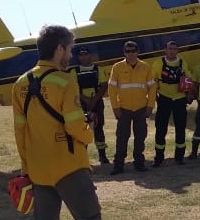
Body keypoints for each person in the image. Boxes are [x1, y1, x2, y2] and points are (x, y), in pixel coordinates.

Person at [12, 25, 123, 220]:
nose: (71, 54)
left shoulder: (20, 84)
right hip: (69, 167)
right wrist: (89, 133)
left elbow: (20, 131)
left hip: (39, 170)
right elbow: (75, 125)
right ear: (59, 49)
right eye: (70, 49)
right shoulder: (65, 82)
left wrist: (27, 168)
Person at [107, 40, 156, 174]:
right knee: (122, 137)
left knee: (140, 137)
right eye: (128, 51)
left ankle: (139, 163)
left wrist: (150, 106)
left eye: (133, 51)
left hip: (141, 108)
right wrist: (115, 108)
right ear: (124, 53)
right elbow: (111, 89)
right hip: (124, 109)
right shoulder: (117, 67)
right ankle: (118, 165)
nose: (131, 54)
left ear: (138, 52)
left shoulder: (145, 67)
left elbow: (152, 88)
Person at [151, 40, 188, 166]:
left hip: (179, 99)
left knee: (180, 128)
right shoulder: (158, 63)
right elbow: (153, 81)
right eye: (170, 49)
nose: (172, 51)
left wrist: (189, 92)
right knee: (161, 129)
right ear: (165, 50)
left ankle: (179, 157)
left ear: (177, 51)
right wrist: (156, 97)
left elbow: (188, 79)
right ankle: (159, 158)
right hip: (164, 99)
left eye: (174, 49)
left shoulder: (183, 63)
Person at [73, 46, 110, 165]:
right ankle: (82, 157)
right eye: (81, 55)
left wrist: (94, 100)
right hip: (81, 103)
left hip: (97, 102)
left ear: (90, 55)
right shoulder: (74, 71)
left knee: (99, 128)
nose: (84, 57)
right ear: (78, 57)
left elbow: (104, 85)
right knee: (82, 129)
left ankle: (102, 156)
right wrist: (85, 99)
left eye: (86, 54)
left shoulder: (98, 69)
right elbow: (73, 88)